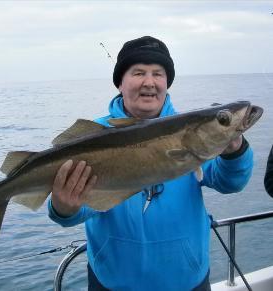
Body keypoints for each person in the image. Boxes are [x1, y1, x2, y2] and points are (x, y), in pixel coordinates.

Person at [48, 36, 254, 291]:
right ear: (120, 83)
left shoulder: (192, 132)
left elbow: (230, 182)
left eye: (158, 73)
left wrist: (234, 150)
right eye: (138, 72)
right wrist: (63, 208)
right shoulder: (93, 137)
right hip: (112, 283)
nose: (149, 82)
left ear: (167, 83)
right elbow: (79, 211)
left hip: (187, 282)